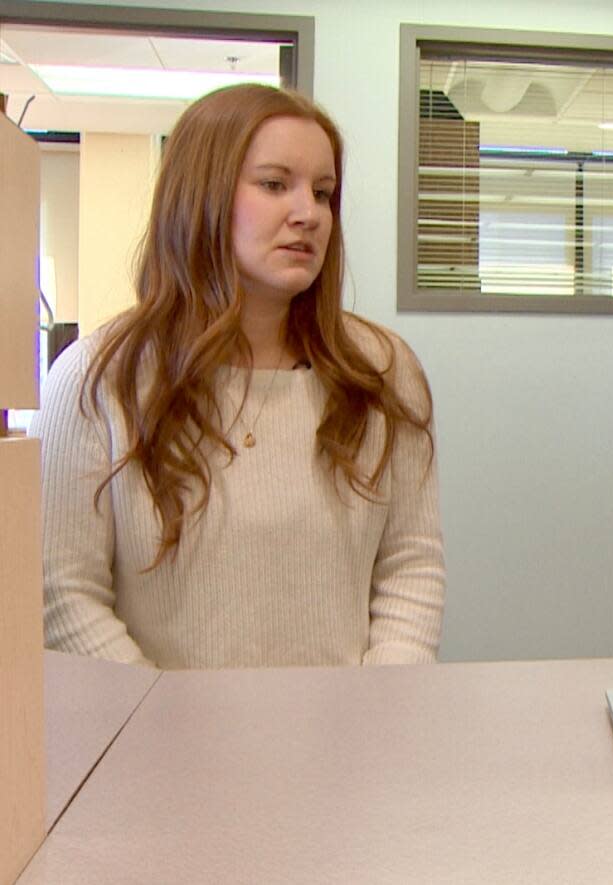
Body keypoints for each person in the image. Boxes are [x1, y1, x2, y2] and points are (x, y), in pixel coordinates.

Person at [32, 84, 445, 669]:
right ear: (201, 196)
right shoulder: (100, 379)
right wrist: (162, 719)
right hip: (164, 744)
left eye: (323, 193)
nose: (308, 213)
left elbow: (411, 562)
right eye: (275, 184)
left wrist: (377, 704)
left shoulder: (382, 371)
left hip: (347, 740)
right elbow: (64, 592)